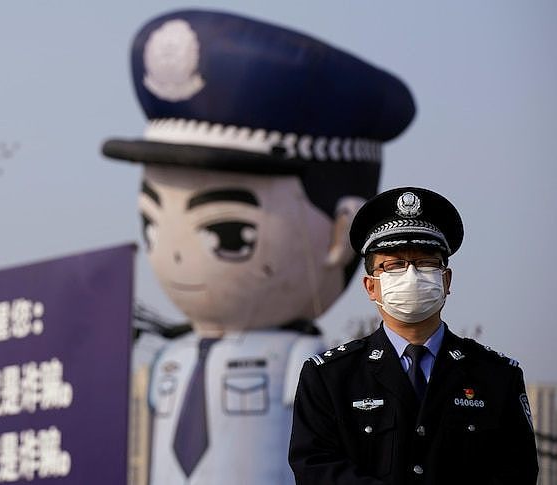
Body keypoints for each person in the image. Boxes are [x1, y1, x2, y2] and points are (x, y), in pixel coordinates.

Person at [101, 9, 416, 484]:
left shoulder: (308, 364)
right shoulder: (172, 358)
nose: (176, 255)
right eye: (153, 225)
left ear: (340, 234)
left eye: (228, 234)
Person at [288, 187, 539, 484]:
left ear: (446, 280)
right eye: (394, 265)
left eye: (426, 262)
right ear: (371, 286)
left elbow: (518, 470)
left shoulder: (496, 376)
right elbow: (315, 468)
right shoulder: (330, 377)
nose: (412, 275)